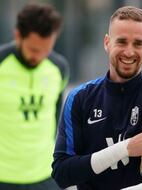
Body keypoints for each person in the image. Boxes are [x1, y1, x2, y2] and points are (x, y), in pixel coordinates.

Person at [51, 6, 142, 190]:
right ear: (107, 43)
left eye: (138, 44)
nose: (129, 52)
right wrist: (124, 149)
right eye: (122, 42)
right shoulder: (79, 98)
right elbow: (61, 173)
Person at [0, 3, 69, 190]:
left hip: (45, 177)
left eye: (46, 51)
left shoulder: (59, 68)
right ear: (17, 36)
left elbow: (55, 118)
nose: (39, 57)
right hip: (3, 177)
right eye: (34, 50)